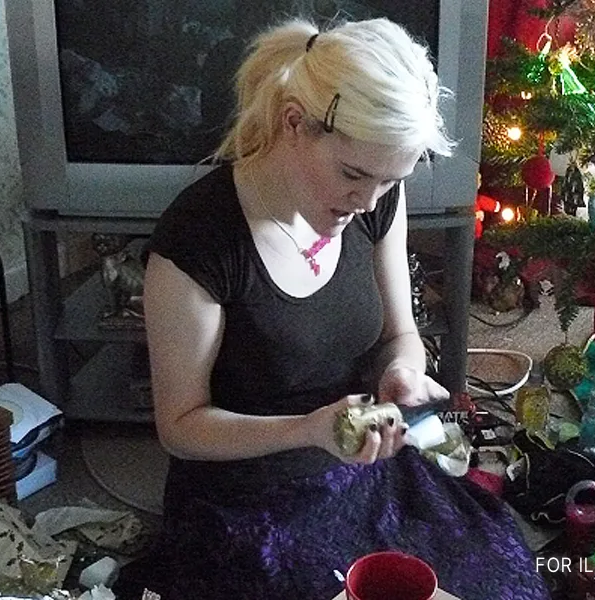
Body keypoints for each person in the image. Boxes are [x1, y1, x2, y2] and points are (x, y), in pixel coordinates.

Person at [135, 17, 549, 599]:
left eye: (390, 180)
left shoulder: (374, 194)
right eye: (353, 174)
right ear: (295, 123)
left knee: (496, 581)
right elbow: (180, 428)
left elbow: (399, 333)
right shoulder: (199, 239)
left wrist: (402, 372)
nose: (367, 201)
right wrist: (309, 430)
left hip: (367, 465)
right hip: (248, 496)